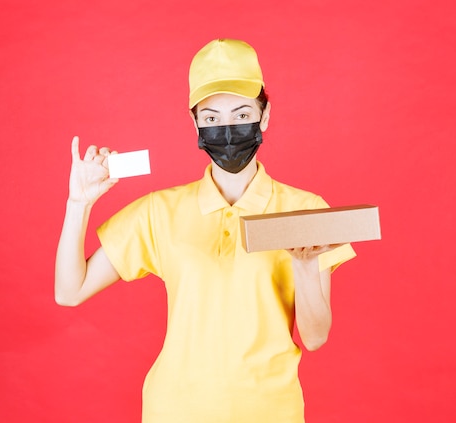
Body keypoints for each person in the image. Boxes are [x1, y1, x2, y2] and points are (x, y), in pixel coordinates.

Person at [55, 39, 356, 423]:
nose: (227, 128)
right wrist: (78, 204)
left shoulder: (306, 210)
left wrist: (304, 266)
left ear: (264, 116)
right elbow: (69, 291)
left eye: (242, 112)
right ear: (194, 123)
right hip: (174, 411)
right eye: (211, 117)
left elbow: (315, 338)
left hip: (271, 412)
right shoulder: (159, 212)